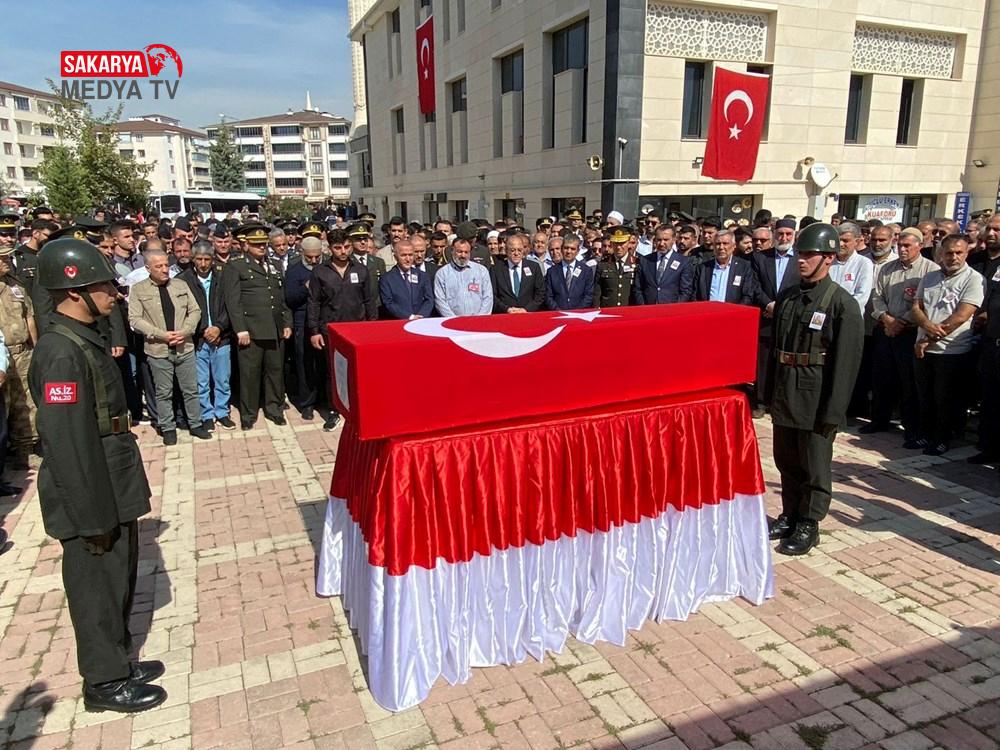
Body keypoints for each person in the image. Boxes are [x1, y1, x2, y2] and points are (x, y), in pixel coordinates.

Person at [27, 237, 166, 712]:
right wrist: (91, 517)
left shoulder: (85, 337)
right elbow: (67, 441)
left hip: (110, 475)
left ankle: (118, 660)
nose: (113, 293)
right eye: (104, 286)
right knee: (96, 588)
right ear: (74, 292)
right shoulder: (60, 353)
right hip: (91, 489)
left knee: (117, 577)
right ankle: (104, 682)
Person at [768, 223, 864, 556]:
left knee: (814, 465)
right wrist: (768, 393)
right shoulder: (788, 296)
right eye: (800, 253)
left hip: (816, 396)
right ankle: (790, 514)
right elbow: (775, 348)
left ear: (829, 258)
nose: (802, 260)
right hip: (786, 390)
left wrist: (833, 412)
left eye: (810, 254)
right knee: (786, 459)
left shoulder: (841, 304)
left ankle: (809, 522)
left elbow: (845, 364)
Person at [128, 249, 211, 445]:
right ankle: (167, 427)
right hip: (158, 349)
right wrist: (161, 335)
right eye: (159, 266)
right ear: (148, 268)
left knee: (190, 389)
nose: (165, 269)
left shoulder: (180, 285)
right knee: (163, 392)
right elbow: (135, 319)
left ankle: (195, 423)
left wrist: (185, 331)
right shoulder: (139, 289)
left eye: (166, 265)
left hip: (184, 346)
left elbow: (195, 310)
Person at [911, 235, 984, 456]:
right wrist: (926, 326)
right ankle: (924, 434)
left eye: (958, 253)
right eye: (949, 253)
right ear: (941, 254)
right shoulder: (930, 277)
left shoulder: (974, 279)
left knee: (944, 399)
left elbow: (962, 316)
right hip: (924, 348)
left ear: (966, 253)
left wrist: (929, 338)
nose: (953, 257)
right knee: (924, 396)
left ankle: (942, 439)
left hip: (952, 350)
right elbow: (916, 307)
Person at [866, 227, 937, 445]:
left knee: (908, 382)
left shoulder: (930, 270)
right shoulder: (887, 269)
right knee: (881, 377)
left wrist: (902, 321)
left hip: (910, 332)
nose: (902, 249)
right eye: (900, 245)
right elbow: (877, 297)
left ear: (920, 246)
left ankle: (911, 427)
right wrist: (886, 319)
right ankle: (879, 419)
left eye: (907, 246)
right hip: (886, 329)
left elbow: (924, 303)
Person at [222, 225, 293, 430]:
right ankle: (248, 413)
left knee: (275, 372)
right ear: (246, 245)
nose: (261, 247)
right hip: (251, 331)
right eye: (256, 244)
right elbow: (233, 301)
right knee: (250, 374)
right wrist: (240, 329)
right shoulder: (236, 266)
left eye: (263, 244)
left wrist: (286, 322)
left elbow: (281, 297)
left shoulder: (274, 265)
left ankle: (274, 409)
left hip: (274, 328)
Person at [308, 228, 377, 430]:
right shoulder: (320, 272)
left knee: (359, 370)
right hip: (331, 330)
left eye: (347, 247)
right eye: (338, 248)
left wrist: (373, 327)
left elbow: (369, 300)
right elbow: (314, 303)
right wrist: (314, 331)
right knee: (334, 372)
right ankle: (334, 410)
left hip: (358, 329)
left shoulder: (361, 270)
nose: (343, 251)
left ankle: (360, 407)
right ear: (330, 248)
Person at [179, 241, 235, 431]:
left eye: (207, 259)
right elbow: (184, 311)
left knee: (222, 378)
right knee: (201, 381)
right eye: (199, 259)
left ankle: (222, 411)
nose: (203, 264)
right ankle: (206, 414)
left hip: (222, 337)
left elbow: (230, 305)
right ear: (193, 259)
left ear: (213, 259)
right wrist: (203, 330)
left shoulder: (223, 277)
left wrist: (219, 327)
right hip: (198, 339)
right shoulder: (184, 280)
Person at [751, 219, 800, 414]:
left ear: (794, 235)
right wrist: (769, 304)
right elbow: (754, 286)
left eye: (788, 234)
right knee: (763, 362)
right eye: (780, 233)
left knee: (785, 363)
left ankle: (779, 403)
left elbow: (803, 287)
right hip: (766, 316)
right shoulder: (761, 258)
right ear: (774, 234)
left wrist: (782, 308)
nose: (784, 238)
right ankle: (761, 401)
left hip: (790, 319)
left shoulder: (801, 258)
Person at [0, 243, 38, 469]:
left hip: (22, 352)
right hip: (1, 356)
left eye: (8, 258)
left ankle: (26, 450)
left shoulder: (16, 285)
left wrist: (35, 346)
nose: (7, 261)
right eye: (2, 258)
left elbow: (29, 316)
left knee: (25, 402)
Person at [285, 237, 326, 421]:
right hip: (302, 320)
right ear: (302, 253)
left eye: (317, 256)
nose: (314, 260)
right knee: (305, 363)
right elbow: (290, 298)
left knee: (323, 363)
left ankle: (324, 399)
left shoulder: (327, 267)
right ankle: (307, 403)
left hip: (323, 320)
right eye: (310, 257)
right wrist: (306, 288)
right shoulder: (294, 270)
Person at [635, 225, 694, 304]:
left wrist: (675, 308)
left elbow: (686, 291)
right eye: (659, 240)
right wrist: (643, 306)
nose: (662, 243)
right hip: (648, 308)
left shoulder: (683, 262)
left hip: (671, 309)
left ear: (674, 239)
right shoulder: (645, 260)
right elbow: (638, 288)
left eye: (666, 240)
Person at [692, 230, 755, 304]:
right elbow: (695, 295)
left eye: (725, 243)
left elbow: (747, 295)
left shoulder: (743, 267)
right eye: (718, 244)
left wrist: (735, 310)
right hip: (707, 310)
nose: (721, 247)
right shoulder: (703, 268)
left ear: (734, 246)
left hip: (733, 310)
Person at [434, 238, 493, 316]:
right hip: (453, 321)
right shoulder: (442, 274)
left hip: (479, 320)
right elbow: (440, 301)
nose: (463, 255)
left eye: (466, 252)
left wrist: (480, 318)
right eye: (459, 252)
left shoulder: (481, 271)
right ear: (452, 251)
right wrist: (454, 319)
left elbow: (488, 298)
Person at [379, 239, 434, 319]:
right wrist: (410, 317)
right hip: (399, 321)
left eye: (410, 255)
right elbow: (388, 303)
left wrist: (421, 316)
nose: (408, 259)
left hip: (421, 320)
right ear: (395, 257)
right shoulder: (387, 279)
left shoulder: (422, 276)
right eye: (403, 255)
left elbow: (429, 299)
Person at [490, 233, 545, 313]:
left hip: (528, 315)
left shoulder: (534, 267)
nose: (516, 253)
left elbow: (540, 293)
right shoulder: (496, 270)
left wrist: (526, 309)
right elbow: (492, 295)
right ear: (506, 251)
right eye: (512, 250)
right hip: (505, 315)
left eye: (519, 250)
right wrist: (506, 309)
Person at [544, 235, 595, 310]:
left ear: (578, 251)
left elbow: (588, 295)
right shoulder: (551, 271)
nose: (568, 251)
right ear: (562, 249)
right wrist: (558, 311)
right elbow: (548, 296)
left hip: (579, 313)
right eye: (566, 248)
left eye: (572, 249)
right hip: (558, 313)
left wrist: (576, 312)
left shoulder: (586, 271)